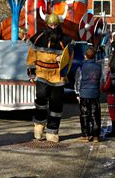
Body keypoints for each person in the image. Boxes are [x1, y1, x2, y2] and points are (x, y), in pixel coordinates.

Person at [26, 13, 73, 143]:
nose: (53, 27)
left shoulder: (66, 40)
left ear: (58, 25)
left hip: (57, 76)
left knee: (56, 104)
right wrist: (32, 73)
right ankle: (39, 126)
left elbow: (69, 60)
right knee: (40, 100)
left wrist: (62, 60)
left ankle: (52, 131)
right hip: (41, 74)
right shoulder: (38, 38)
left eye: (55, 25)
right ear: (47, 24)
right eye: (51, 25)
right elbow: (31, 56)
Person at [74, 47, 102, 142]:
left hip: (84, 94)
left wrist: (77, 93)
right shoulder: (99, 67)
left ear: (85, 56)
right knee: (95, 114)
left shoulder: (81, 67)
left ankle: (85, 134)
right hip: (94, 93)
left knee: (84, 114)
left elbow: (78, 81)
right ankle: (96, 136)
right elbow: (101, 80)